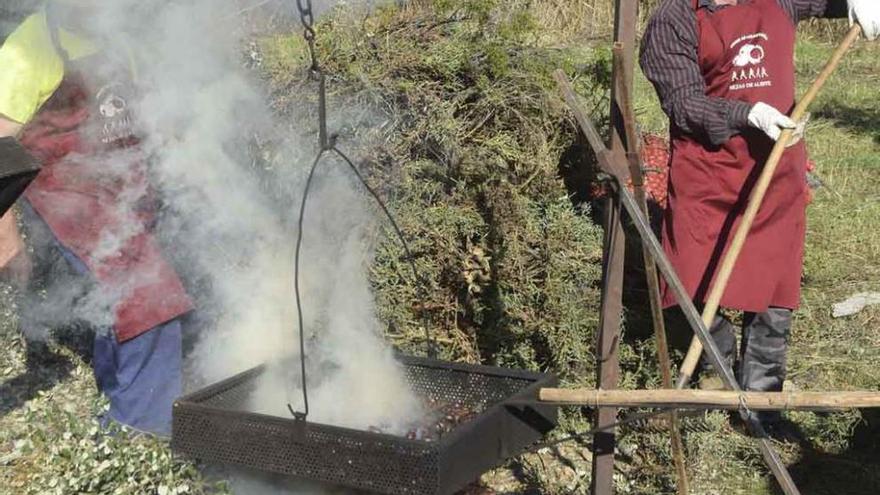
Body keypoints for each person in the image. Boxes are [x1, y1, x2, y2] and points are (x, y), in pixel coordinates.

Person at [639, 0, 879, 429]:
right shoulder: (673, 19)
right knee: (689, 277)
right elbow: (682, 104)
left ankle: (762, 405)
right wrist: (746, 112)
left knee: (771, 288)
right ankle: (720, 369)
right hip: (710, 174)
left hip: (775, 170)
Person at [0, 1, 192, 435]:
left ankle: (122, 390)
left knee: (122, 293)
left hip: (123, 178)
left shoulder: (118, 28)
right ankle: (141, 429)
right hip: (66, 191)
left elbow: (146, 107)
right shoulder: (30, 46)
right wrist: (5, 233)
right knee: (147, 293)